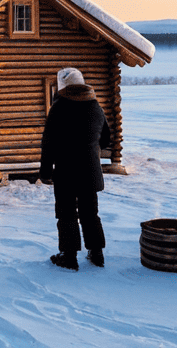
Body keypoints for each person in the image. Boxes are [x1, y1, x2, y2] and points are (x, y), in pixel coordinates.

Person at [40, 67, 109, 270]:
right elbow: (106, 140)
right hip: (90, 170)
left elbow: (48, 144)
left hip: (66, 171)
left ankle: (69, 257)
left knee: (66, 213)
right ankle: (97, 254)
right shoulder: (96, 107)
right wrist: (90, 148)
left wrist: (45, 172)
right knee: (90, 212)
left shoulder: (59, 108)